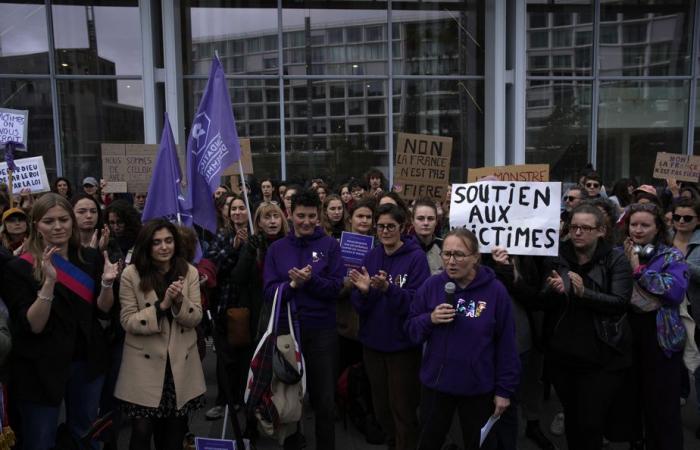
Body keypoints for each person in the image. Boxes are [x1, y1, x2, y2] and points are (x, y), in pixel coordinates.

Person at [3, 193, 119, 448]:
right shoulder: (19, 267)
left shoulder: (91, 259)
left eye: (63, 219)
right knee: (41, 439)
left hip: (86, 362)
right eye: (49, 221)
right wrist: (48, 284)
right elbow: (34, 325)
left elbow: (102, 311)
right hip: (40, 369)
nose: (58, 226)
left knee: (85, 434)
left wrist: (108, 283)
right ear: (36, 225)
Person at [407, 229, 520, 450]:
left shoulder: (496, 291)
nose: (451, 261)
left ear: (476, 257)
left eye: (459, 255)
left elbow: (507, 344)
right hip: (437, 385)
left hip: (477, 389)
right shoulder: (432, 286)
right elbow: (411, 329)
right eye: (446, 254)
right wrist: (429, 319)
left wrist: (504, 391)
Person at [542, 204, 633, 450]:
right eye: (574, 227)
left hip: (601, 356)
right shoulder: (556, 255)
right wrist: (551, 290)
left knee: (590, 422)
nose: (578, 232)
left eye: (585, 227)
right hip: (563, 354)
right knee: (572, 417)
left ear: (601, 231)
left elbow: (620, 303)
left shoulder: (615, 258)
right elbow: (541, 300)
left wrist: (585, 293)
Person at [263, 189, 345, 449]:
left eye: (311, 216)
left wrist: (311, 281)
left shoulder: (330, 246)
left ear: (319, 216)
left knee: (324, 399)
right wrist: (292, 286)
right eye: (301, 216)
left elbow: (336, 288)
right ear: (290, 214)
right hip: (288, 330)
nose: (307, 221)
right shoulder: (277, 248)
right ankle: (292, 442)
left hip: (322, 331)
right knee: (289, 395)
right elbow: (268, 290)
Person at [114, 219, 205, 449]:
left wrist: (179, 303)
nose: (164, 247)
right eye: (157, 242)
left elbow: (196, 317)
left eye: (168, 241)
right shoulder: (131, 275)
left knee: (174, 432)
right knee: (142, 432)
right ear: (146, 245)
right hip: (144, 366)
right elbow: (128, 321)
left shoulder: (189, 271)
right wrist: (161, 306)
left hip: (179, 365)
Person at [349, 204, 431, 450]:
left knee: (403, 410)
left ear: (402, 227)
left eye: (391, 226)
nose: (385, 231)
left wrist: (388, 289)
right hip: (373, 344)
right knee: (382, 408)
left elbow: (417, 303)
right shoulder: (371, 256)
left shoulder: (416, 258)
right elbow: (359, 304)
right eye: (381, 226)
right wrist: (365, 293)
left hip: (403, 346)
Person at [623, 202, 688, 449]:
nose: (638, 230)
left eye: (645, 225)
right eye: (633, 224)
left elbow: (675, 291)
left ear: (658, 227)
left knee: (662, 406)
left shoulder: (671, 255)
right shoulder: (621, 251)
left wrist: (638, 270)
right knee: (632, 400)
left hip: (661, 339)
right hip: (629, 335)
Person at [205, 194, 251, 420]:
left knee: (246, 359)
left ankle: (246, 400)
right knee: (226, 358)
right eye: (233, 209)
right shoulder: (223, 236)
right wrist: (233, 247)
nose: (237, 212)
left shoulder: (258, 235)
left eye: (242, 208)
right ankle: (224, 401)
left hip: (251, 306)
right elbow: (212, 266)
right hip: (226, 306)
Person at [675, 197, 700, 439]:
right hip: (670, 309)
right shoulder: (661, 240)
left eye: (688, 218)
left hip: (696, 310)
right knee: (672, 357)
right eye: (677, 217)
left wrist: (682, 265)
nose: (681, 221)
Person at [411, 198, 443, 275]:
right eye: (420, 218)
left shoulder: (445, 247)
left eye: (430, 219)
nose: (426, 223)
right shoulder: (403, 247)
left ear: (436, 221)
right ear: (412, 221)